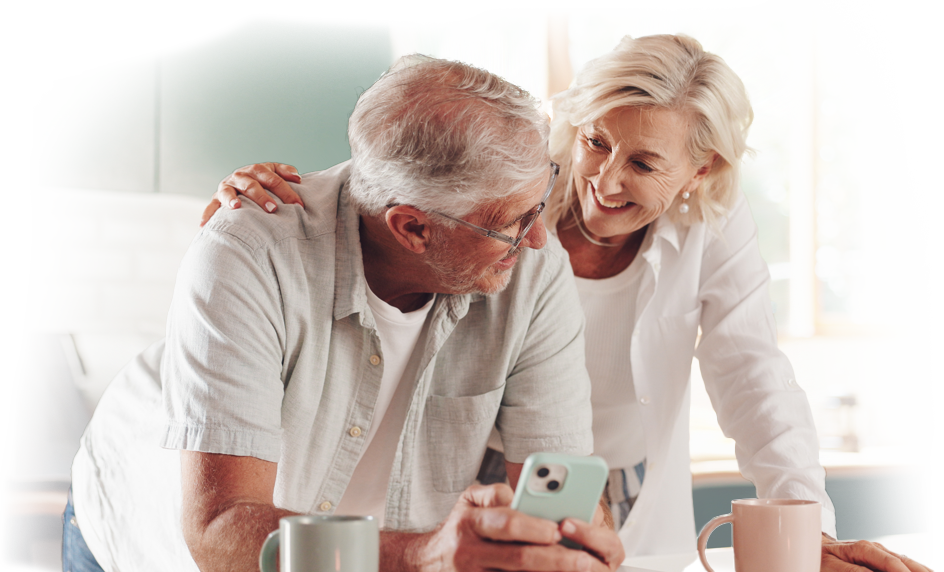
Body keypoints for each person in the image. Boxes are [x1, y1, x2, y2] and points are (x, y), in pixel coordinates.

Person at [205, 34, 931, 572]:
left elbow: (753, 377)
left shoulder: (706, 224)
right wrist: (269, 203)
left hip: (603, 468)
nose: (604, 181)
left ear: (698, 168)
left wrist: (811, 530)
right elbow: (392, 184)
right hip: (465, 450)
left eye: (644, 162)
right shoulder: (512, 184)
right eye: (594, 143)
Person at [66, 55, 626, 572]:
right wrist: (427, 558)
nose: (537, 241)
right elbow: (220, 532)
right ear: (413, 228)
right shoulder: (248, 251)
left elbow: (557, 473)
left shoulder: (531, 265)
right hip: (158, 534)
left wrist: (574, 538)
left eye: (541, 200)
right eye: (511, 224)